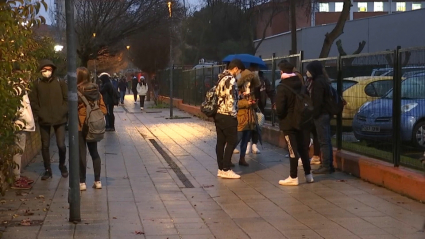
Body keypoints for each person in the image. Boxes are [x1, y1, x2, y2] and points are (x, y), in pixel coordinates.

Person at [275, 61, 314, 186]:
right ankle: (308, 175)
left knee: (292, 149)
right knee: (303, 148)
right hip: (301, 120)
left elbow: (280, 109)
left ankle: (293, 176)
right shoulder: (300, 84)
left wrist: (279, 115)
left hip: (288, 122)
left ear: (282, 72)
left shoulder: (282, 87)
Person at [29, 59, 68, 180]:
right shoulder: (37, 84)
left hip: (60, 119)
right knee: (45, 145)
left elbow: (66, 99)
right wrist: (40, 114)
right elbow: (33, 101)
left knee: (61, 145)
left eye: (49, 69)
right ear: (41, 71)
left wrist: (62, 111)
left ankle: (62, 165)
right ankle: (47, 169)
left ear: (53, 70)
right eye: (44, 70)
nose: (47, 72)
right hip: (44, 119)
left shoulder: (60, 82)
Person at [77, 67, 107, 191]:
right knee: (94, 152)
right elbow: (104, 110)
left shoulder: (76, 92)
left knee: (81, 154)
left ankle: (82, 182)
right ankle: (97, 181)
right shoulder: (97, 92)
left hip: (80, 126)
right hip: (93, 126)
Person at [215, 59, 244, 179]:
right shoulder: (231, 80)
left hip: (218, 114)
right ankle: (226, 168)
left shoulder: (221, 78)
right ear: (236, 68)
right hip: (228, 115)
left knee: (221, 141)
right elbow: (231, 99)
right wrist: (233, 114)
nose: (239, 73)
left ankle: (221, 168)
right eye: (240, 71)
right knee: (232, 141)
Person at [307, 60, 335, 174]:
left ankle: (326, 165)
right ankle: (329, 164)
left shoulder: (318, 83)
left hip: (321, 115)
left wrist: (314, 114)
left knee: (323, 141)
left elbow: (317, 102)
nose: (307, 72)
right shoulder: (324, 81)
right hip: (325, 114)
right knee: (327, 140)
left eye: (308, 70)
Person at [11, 66, 36, 189]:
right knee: (18, 151)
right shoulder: (16, 87)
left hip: (23, 123)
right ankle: (16, 177)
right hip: (20, 124)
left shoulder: (20, 87)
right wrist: (20, 119)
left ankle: (18, 175)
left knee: (19, 150)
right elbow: (17, 107)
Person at [235, 69, 260, 166]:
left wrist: (254, 103)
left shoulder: (251, 92)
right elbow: (235, 104)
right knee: (237, 139)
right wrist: (246, 102)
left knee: (245, 141)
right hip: (241, 119)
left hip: (250, 119)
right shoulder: (237, 92)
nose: (248, 84)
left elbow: (254, 106)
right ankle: (227, 159)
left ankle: (242, 158)